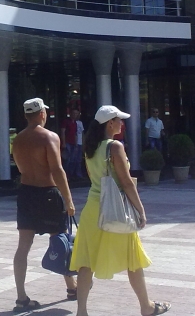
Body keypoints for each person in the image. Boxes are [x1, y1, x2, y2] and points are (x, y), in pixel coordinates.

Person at [69, 105, 170, 316]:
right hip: (115, 209)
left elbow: (95, 178)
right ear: (110, 123)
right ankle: (146, 306)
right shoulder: (115, 146)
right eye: (119, 120)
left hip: (92, 208)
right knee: (133, 259)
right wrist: (140, 210)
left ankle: (81, 312)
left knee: (86, 262)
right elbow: (126, 182)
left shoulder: (90, 147)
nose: (122, 124)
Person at [12, 97, 77, 313]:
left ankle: (21, 297)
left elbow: (20, 167)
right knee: (60, 239)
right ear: (42, 114)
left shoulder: (18, 139)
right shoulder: (50, 136)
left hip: (26, 193)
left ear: (26, 115)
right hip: (48, 193)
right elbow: (57, 170)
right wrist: (68, 199)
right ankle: (71, 287)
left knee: (23, 246)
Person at [61, 109, 84, 179]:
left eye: (76, 113)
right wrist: (63, 143)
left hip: (73, 143)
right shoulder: (66, 121)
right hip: (67, 143)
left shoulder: (75, 123)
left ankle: (70, 175)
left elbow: (75, 134)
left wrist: (76, 144)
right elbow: (62, 132)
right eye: (74, 113)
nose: (75, 115)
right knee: (67, 160)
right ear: (70, 113)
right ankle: (65, 175)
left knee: (73, 160)